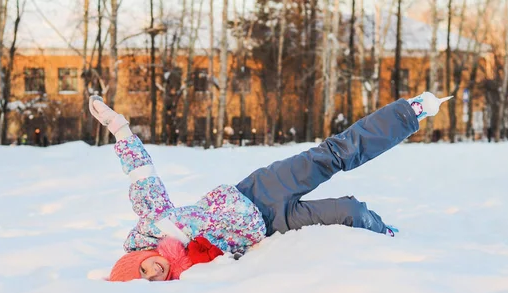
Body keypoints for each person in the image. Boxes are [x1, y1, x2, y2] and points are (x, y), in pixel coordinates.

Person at [89, 92, 451, 282]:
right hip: (273, 228)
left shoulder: (153, 224)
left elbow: (143, 177)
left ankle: (409, 112)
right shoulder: (190, 281)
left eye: (143, 269)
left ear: (138, 257)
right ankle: (386, 234)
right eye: (149, 281)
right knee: (349, 212)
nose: (155, 272)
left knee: (331, 155)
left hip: (255, 191)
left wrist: (120, 129)